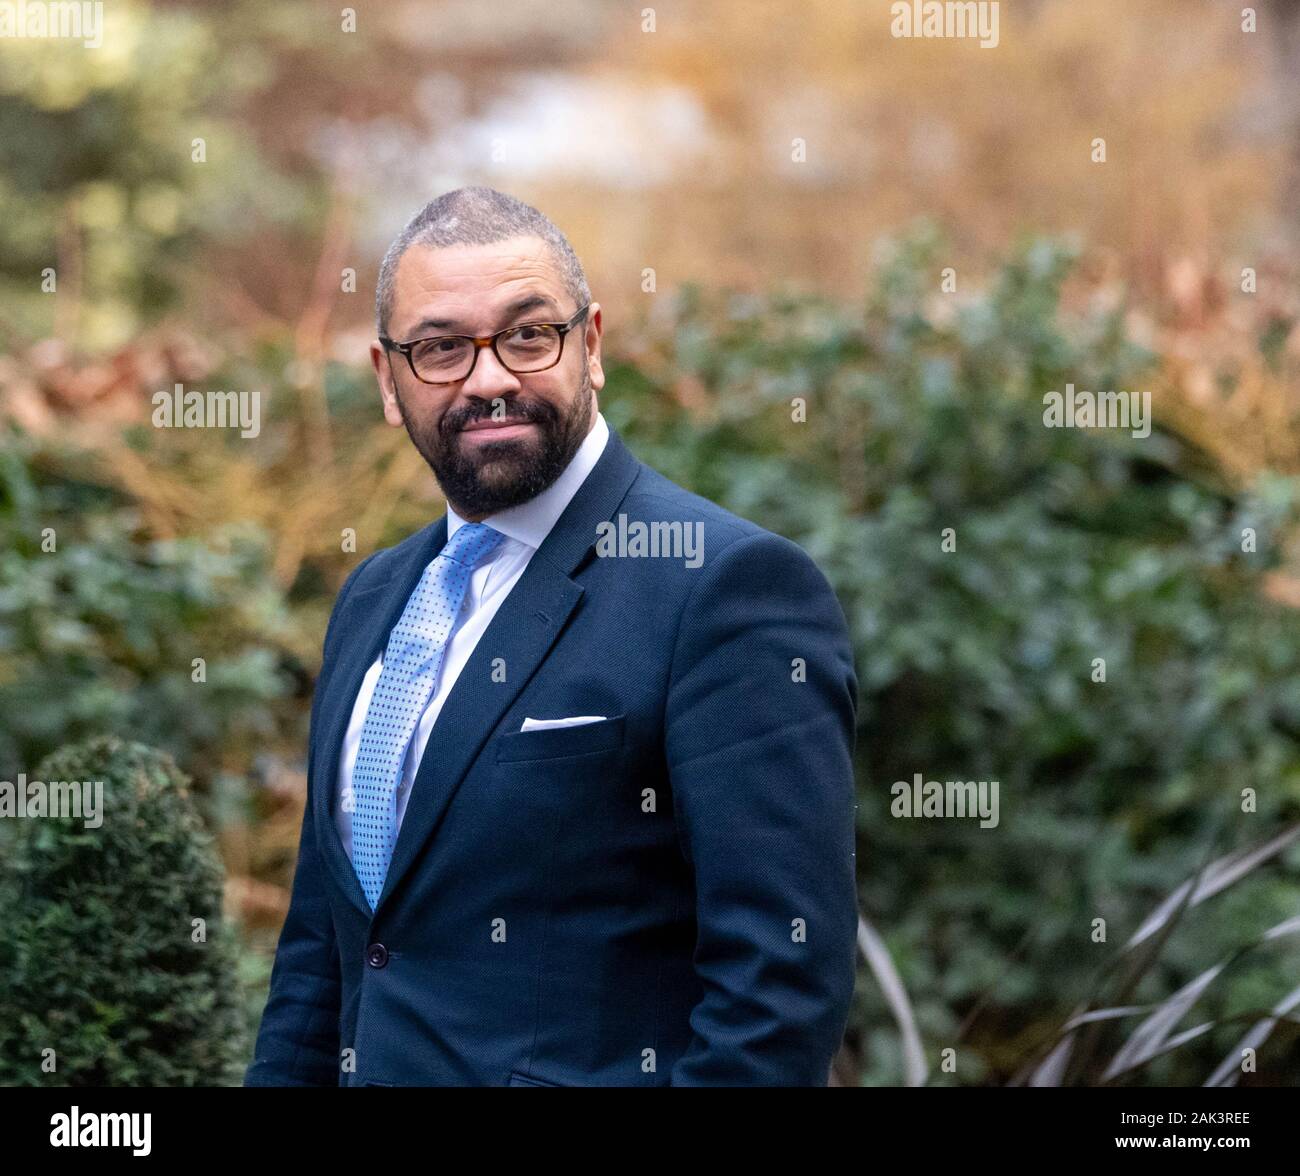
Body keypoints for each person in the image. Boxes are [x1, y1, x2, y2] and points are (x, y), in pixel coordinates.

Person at [244, 186, 859, 1087]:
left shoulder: (724, 589)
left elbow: (777, 995)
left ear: (593, 345)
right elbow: (320, 956)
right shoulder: (372, 600)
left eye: (528, 335)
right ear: (387, 379)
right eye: (442, 348)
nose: (489, 379)